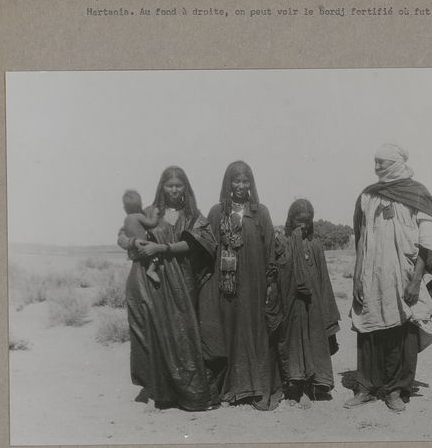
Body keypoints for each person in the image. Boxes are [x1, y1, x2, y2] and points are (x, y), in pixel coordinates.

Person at [346, 144, 432, 412]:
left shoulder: (417, 194)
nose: (377, 167)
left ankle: (396, 389)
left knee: (401, 328)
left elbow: (428, 243)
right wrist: (357, 278)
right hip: (371, 275)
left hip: (403, 275)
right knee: (368, 327)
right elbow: (361, 240)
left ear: (395, 163)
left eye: (382, 162)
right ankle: (367, 387)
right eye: (375, 162)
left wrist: (416, 280)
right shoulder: (368, 196)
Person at [117, 166, 217, 411]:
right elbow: (122, 235)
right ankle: (161, 392)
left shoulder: (193, 214)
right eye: (169, 185)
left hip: (181, 280)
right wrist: (132, 242)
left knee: (182, 332)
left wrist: (161, 249)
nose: (174, 190)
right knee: (153, 332)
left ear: (186, 188)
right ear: (161, 186)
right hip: (151, 280)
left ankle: (189, 394)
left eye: (179, 185)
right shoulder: (150, 212)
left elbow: (200, 242)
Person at [198, 161, 282, 411]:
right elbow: (207, 247)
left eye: (245, 181)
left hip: (254, 284)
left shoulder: (260, 212)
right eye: (236, 181)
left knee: (255, 330)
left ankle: (258, 388)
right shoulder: (216, 213)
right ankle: (233, 388)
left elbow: (270, 252)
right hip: (226, 286)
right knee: (230, 330)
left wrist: (270, 283)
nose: (241, 186)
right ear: (228, 183)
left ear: (251, 184)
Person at [268, 199, 340, 408]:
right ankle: (295, 389)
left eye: (307, 222)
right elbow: (277, 272)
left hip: (312, 306)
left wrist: (328, 312)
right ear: (291, 219)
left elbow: (324, 280)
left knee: (313, 343)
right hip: (291, 304)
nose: (303, 226)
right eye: (299, 221)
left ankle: (312, 386)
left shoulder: (316, 245)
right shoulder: (283, 242)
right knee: (293, 345)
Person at [121, 189, 161, 285]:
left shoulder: (126, 220)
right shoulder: (139, 216)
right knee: (157, 255)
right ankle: (151, 270)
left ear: (125, 208)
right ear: (140, 206)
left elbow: (124, 235)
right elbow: (152, 223)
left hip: (133, 252)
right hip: (143, 247)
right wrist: (155, 214)